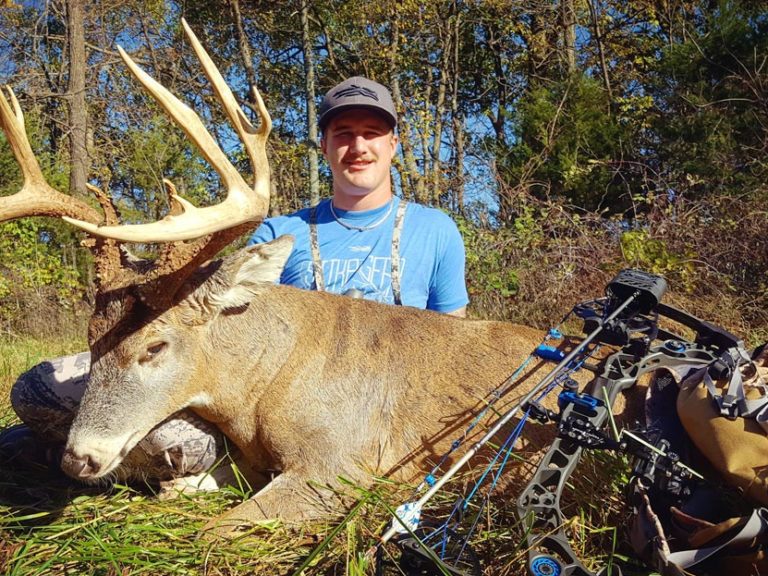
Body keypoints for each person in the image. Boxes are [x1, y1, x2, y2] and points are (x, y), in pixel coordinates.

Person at [0, 76, 469, 484]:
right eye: (343, 133)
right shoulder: (280, 233)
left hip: (368, 403)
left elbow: (453, 340)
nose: (358, 147)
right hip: (267, 393)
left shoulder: (436, 230)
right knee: (37, 388)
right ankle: (58, 442)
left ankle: (46, 450)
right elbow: (192, 299)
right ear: (324, 146)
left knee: (171, 443)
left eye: (372, 133)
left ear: (393, 144)